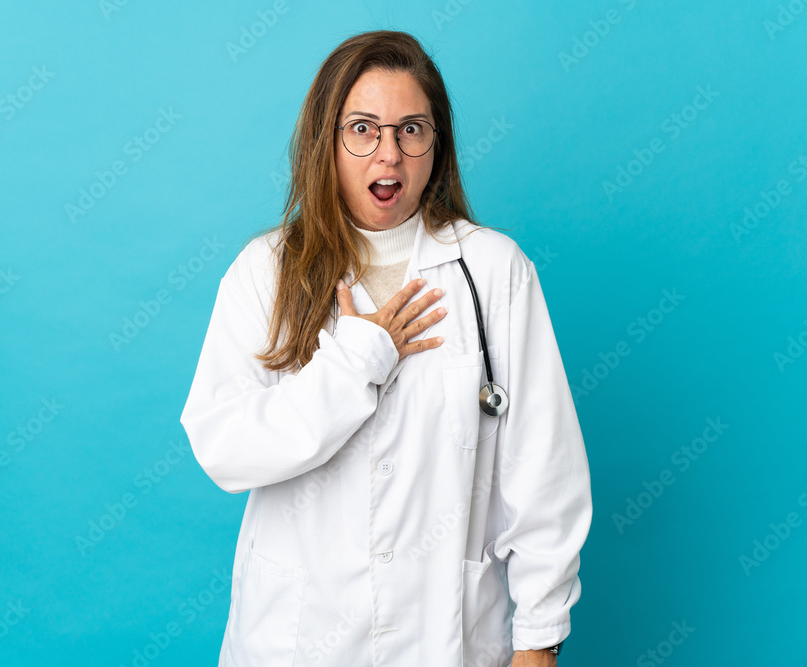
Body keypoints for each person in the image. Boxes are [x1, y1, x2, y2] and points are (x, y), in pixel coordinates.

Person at [180, 30, 592, 667]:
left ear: (437, 144)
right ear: (326, 141)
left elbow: (544, 467)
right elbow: (225, 449)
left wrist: (539, 637)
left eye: (411, 130)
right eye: (363, 129)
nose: (389, 154)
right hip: (299, 641)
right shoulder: (265, 271)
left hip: (446, 637)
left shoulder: (493, 271)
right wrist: (354, 362)